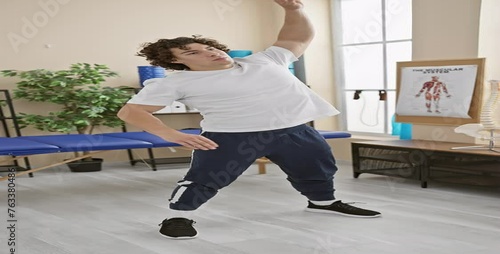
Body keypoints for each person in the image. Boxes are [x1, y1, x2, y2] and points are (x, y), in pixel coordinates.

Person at [117, 0, 381, 240]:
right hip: (231, 137)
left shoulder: (264, 60)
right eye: (193, 53)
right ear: (175, 62)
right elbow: (131, 112)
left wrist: (294, 10)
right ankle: (178, 217)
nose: (209, 52)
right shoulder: (177, 81)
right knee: (206, 178)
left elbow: (296, 37)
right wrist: (172, 134)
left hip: (294, 130)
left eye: (208, 47)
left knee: (318, 167)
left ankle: (323, 203)